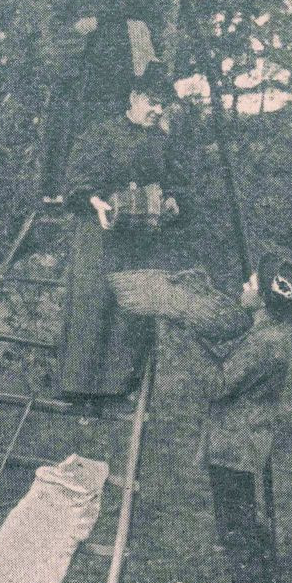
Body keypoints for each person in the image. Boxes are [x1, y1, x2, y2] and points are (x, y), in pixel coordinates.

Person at [57, 72, 187, 401]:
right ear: (134, 98)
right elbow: (76, 181)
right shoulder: (101, 134)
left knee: (131, 311)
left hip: (140, 240)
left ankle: (120, 390)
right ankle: (80, 391)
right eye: (152, 102)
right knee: (94, 304)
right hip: (100, 234)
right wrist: (93, 200)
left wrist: (172, 199)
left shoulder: (162, 142)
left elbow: (175, 181)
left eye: (163, 104)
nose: (157, 110)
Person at [195, 254, 292, 583]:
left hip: (235, 444)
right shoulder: (268, 336)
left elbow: (218, 384)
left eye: (251, 284)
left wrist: (189, 339)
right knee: (247, 524)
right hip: (245, 439)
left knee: (236, 527)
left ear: (264, 299)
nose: (243, 288)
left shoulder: (264, 342)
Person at [41, 0, 163, 199]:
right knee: (72, 114)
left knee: (113, 111)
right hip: (80, 51)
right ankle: (72, 190)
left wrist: (101, 18)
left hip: (116, 45)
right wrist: (66, 26)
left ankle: (119, 187)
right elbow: (62, 4)